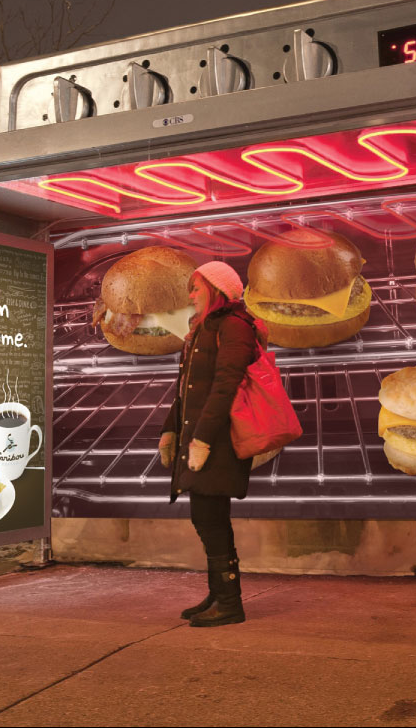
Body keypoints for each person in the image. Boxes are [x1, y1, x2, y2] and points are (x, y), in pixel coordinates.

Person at [159, 261, 261, 627]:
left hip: (218, 440)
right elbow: (186, 389)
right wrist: (170, 430)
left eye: (196, 287)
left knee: (210, 519)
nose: (190, 295)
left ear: (216, 290)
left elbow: (226, 385)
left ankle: (231, 604)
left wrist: (202, 439)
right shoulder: (203, 329)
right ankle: (219, 594)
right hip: (200, 438)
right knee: (209, 518)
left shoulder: (234, 326)